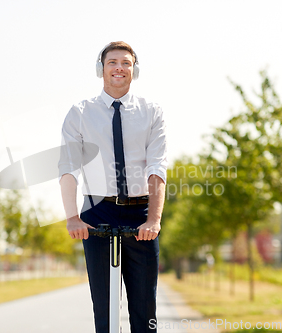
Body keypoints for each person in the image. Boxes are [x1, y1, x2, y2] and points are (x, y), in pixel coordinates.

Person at [59, 41, 167, 333]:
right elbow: (68, 167)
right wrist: (72, 217)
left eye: (126, 63)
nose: (119, 68)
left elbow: (157, 169)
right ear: (101, 69)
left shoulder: (151, 111)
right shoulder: (80, 112)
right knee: (104, 312)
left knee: (145, 312)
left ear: (134, 70)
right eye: (112, 63)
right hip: (96, 212)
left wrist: (153, 220)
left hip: (140, 213)